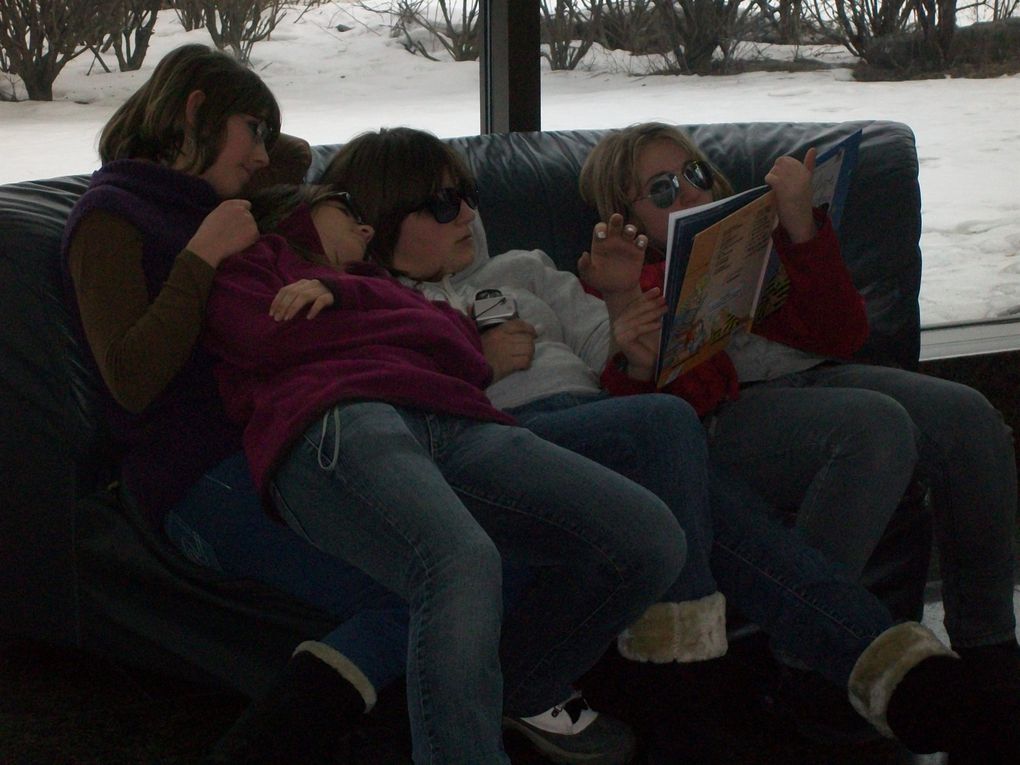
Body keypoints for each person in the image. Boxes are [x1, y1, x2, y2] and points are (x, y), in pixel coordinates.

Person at [316, 126, 1020, 759]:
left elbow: (610, 351)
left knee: (693, 476)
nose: (468, 212)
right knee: (665, 428)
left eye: (465, 194)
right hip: (504, 442)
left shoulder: (523, 270)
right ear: (381, 224)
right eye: (441, 205)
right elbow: (388, 410)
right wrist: (480, 361)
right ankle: (698, 689)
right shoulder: (372, 305)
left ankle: (913, 683)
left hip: (602, 425)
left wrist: (625, 325)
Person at [201, 180, 688, 764]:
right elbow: (263, 337)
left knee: (651, 538)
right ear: (297, 214)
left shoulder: (377, 285)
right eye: (346, 212)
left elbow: (458, 346)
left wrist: (344, 298)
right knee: (461, 559)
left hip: (454, 419)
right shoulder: (252, 265)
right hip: (341, 416)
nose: (364, 230)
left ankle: (527, 679)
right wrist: (394, 321)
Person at [59, 44, 418, 765]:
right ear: (196, 110)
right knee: (417, 595)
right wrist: (200, 256)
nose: (261, 158)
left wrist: (239, 124)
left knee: (457, 565)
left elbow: (294, 152)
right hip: (194, 476)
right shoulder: (112, 216)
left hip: (273, 448)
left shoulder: (209, 197)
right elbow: (130, 376)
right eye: (250, 131)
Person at [579, 121, 1018, 662]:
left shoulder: (760, 243)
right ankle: (809, 648)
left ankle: (989, 643)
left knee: (967, 415)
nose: (690, 191)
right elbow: (663, 405)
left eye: (693, 174)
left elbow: (844, 335)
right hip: (727, 417)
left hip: (817, 376)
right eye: (664, 190)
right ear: (625, 221)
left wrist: (802, 231)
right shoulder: (623, 283)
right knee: (873, 426)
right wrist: (668, 302)